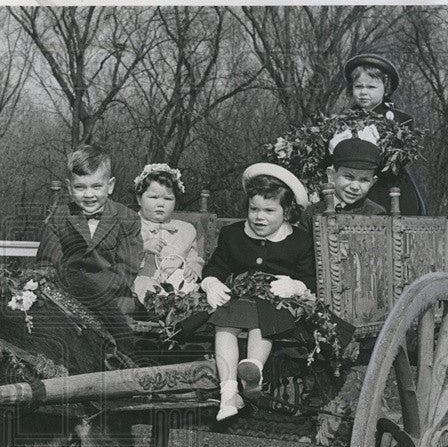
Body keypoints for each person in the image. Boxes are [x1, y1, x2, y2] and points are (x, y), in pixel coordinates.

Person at [200, 164, 314, 421]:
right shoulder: (233, 235)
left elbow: (310, 278)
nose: (259, 217)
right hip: (241, 298)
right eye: (254, 209)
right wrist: (211, 282)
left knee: (260, 317)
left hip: (278, 303)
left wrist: (296, 286)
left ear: (286, 213)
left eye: (269, 211)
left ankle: (254, 372)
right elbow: (216, 266)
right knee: (224, 322)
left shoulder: (300, 240)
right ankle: (229, 392)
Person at [35, 144, 143, 349]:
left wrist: (89, 294)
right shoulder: (60, 217)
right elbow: (46, 264)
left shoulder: (127, 219)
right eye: (80, 187)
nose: (89, 195)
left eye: (96, 186)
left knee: (116, 345)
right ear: (69, 187)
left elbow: (126, 270)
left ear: (110, 186)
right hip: (67, 298)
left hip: (113, 299)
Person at [343, 53, 426, 215]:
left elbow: (398, 161)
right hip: (352, 190)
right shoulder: (342, 121)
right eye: (358, 87)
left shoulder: (401, 121)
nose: (364, 92)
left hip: (390, 190)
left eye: (371, 87)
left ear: (386, 89)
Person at [130, 163, 203, 302]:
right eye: (153, 197)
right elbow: (119, 259)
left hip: (174, 286)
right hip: (139, 285)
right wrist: (142, 247)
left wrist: (193, 268)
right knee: (146, 286)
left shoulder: (185, 230)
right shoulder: (130, 225)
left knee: (189, 291)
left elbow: (193, 258)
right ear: (139, 199)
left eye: (168, 199)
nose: (160, 204)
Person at [300, 135, 388, 234]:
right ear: (331, 174)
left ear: (372, 182)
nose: (355, 187)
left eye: (364, 180)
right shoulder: (312, 214)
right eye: (349, 177)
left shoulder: (376, 214)